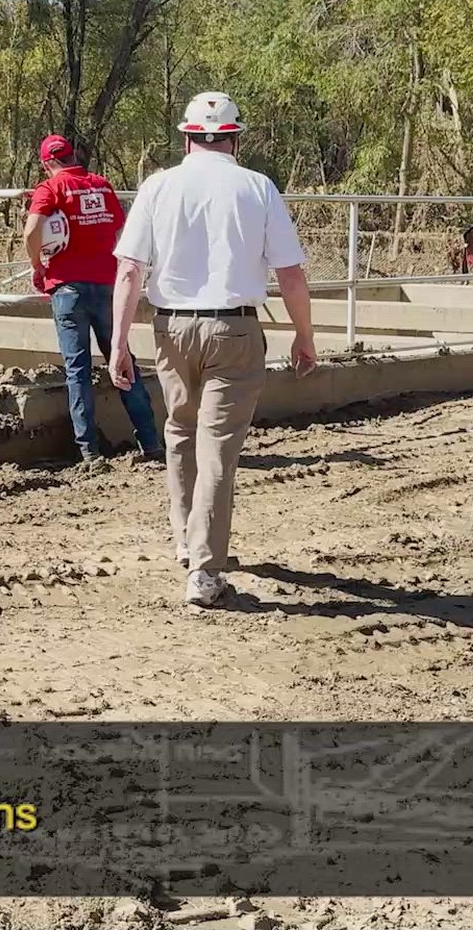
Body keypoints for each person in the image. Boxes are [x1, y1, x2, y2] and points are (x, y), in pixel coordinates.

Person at [107, 92, 316, 606]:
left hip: (172, 329)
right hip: (235, 330)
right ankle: (205, 568)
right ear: (234, 138)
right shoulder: (257, 187)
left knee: (180, 431)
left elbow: (130, 270)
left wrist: (117, 345)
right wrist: (304, 335)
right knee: (218, 446)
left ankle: (186, 539)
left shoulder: (158, 186)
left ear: (186, 136)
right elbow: (290, 273)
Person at [23, 133, 163, 465]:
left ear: (47, 164)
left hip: (67, 289)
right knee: (122, 360)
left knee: (78, 371)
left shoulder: (49, 189)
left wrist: (38, 265)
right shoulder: (101, 184)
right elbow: (119, 228)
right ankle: (151, 442)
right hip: (107, 286)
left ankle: (89, 452)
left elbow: (31, 232)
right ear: (72, 156)